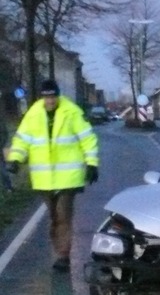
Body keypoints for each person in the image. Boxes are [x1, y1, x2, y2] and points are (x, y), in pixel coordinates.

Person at [6, 79, 100, 271]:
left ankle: (63, 256)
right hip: (44, 178)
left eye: (53, 96)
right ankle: (59, 250)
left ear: (58, 95)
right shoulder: (33, 115)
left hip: (68, 177)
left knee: (63, 215)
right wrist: (16, 159)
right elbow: (22, 139)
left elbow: (87, 138)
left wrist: (92, 164)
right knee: (54, 218)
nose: (50, 100)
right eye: (46, 97)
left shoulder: (72, 112)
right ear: (42, 97)